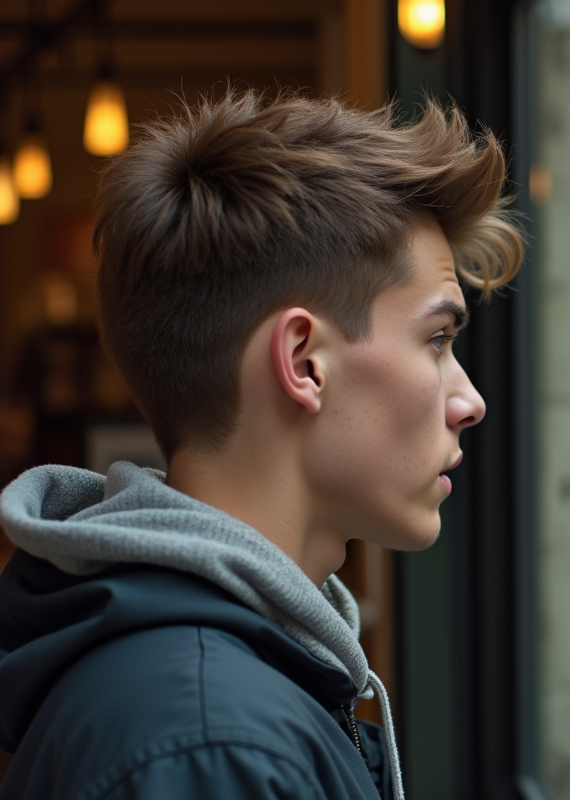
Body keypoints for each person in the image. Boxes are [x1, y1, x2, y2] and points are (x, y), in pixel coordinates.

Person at [0, 91, 522, 799]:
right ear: (304, 362)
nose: (471, 401)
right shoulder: (212, 744)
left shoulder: (212, 699)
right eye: (436, 340)